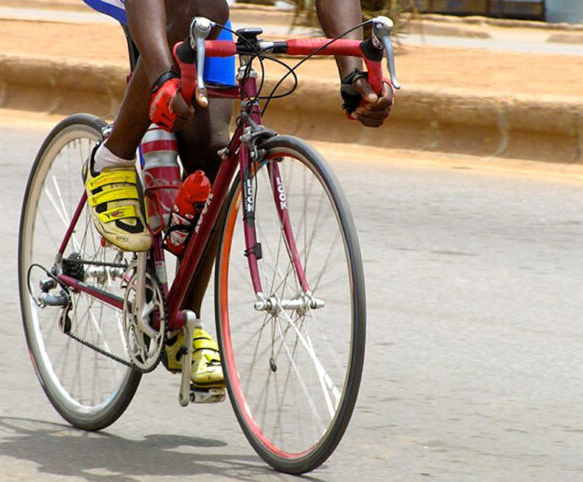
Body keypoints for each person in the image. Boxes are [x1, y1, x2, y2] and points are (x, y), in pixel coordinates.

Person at [81, 0, 393, 392]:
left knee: (213, 154)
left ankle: (184, 323)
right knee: (189, 27)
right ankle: (112, 158)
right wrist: (162, 79)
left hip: (203, 12)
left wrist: (353, 74)